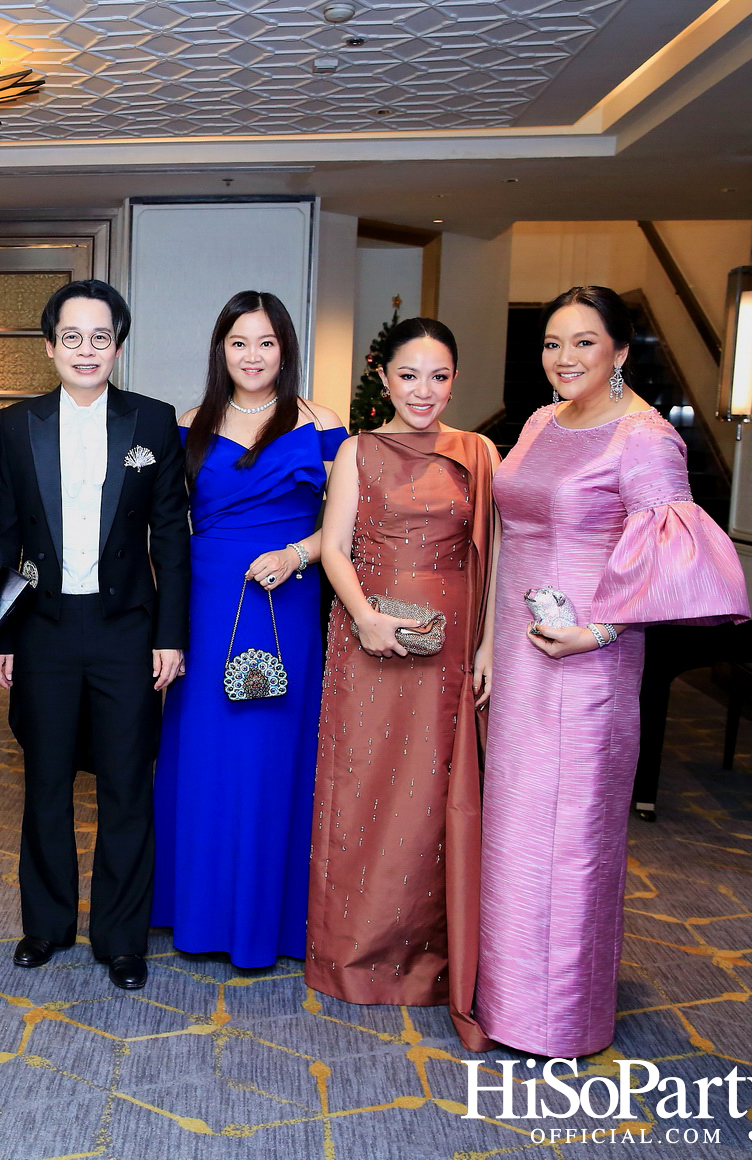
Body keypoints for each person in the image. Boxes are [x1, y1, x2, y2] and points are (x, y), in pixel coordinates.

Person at [478, 287, 748, 1057]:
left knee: (569, 835)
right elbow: (508, 534)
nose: (563, 358)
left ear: (621, 352)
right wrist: (491, 643)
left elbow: (675, 557)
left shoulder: (646, 438)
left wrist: (600, 631)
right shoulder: (540, 422)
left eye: (584, 343)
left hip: (586, 663)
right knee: (515, 829)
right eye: (552, 343)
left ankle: (558, 1017)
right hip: (521, 654)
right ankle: (507, 999)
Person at [0, 279, 189, 992]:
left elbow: (172, 536)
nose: (85, 350)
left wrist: (172, 634)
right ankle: (45, 925)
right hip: (43, 628)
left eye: (99, 337)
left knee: (127, 785)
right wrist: (3, 635)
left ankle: (121, 937)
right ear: (50, 347)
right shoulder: (16, 425)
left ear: (118, 346)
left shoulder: (153, 421)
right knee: (44, 781)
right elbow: (2, 535)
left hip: (126, 630)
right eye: (71, 337)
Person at [305, 318, 496, 1050]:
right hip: (368, 642)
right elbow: (335, 546)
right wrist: (364, 617)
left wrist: (488, 647)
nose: (423, 391)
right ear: (382, 378)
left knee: (432, 799)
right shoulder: (358, 450)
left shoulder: (478, 453)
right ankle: (353, 954)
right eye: (409, 376)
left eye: (438, 377)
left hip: (450, 650)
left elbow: (495, 555)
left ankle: (427, 956)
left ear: (455, 381)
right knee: (361, 789)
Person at [152, 291, 344, 971]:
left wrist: (297, 554)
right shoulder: (188, 424)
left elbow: (348, 523)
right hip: (206, 605)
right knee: (205, 755)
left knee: (271, 758)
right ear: (221, 350)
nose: (253, 356)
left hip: (285, 599)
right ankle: (197, 911)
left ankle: (270, 920)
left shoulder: (321, 422)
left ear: (284, 349)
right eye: (239, 343)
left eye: (266, 342)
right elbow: (164, 527)